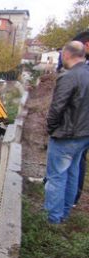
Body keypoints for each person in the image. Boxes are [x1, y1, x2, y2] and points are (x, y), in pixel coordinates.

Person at [44, 41, 89, 224]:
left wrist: (50, 128)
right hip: (84, 135)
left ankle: (52, 219)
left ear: (66, 55)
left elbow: (57, 108)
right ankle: (64, 213)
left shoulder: (69, 77)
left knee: (56, 177)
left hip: (67, 135)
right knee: (72, 173)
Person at [72, 31, 89, 205]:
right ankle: (72, 197)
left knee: (76, 159)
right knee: (77, 159)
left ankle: (73, 196)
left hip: (79, 125)